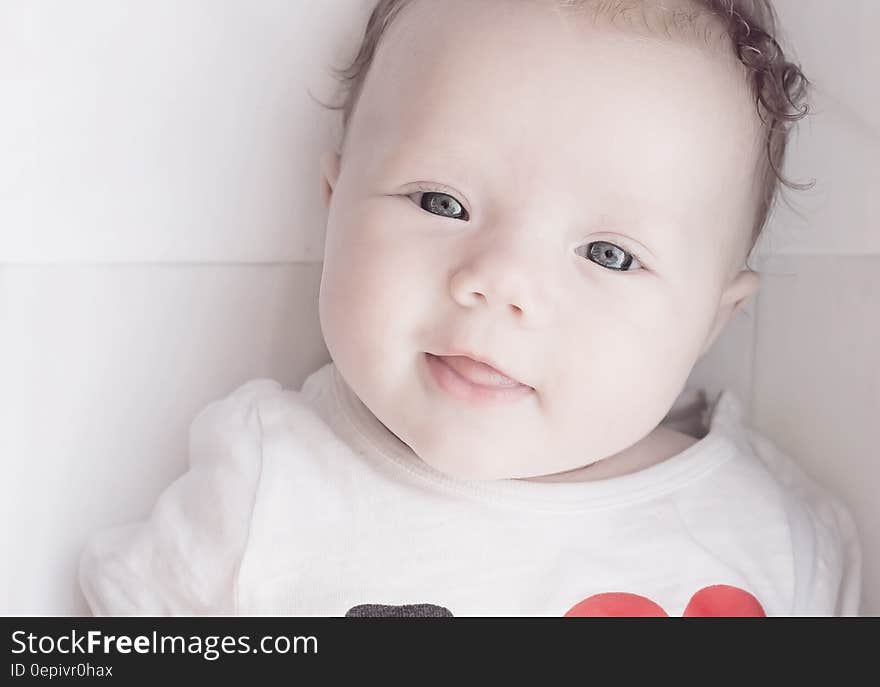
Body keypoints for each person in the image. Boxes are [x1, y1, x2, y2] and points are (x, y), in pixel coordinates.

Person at [78, 0, 862, 616]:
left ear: (711, 321)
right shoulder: (270, 488)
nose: (499, 282)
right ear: (334, 204)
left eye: (608, 255)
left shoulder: (777, 538)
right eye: (441, 201)